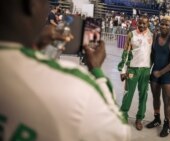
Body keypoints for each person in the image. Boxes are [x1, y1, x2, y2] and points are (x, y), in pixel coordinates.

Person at [0, 0, 130, 141]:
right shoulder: (75, 87)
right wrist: (97, 70)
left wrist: (34, 46)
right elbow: (120, 133)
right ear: (32, 4)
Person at [145, 16, 170, 137]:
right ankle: (157, 119)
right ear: (159, 25)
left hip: (166, 75)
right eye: (162, 24)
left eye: (167, 25)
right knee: (155, 97)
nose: (164, 26)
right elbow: (153, 55)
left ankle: (166, 124)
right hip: (155, 72)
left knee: (166, 100)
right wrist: (149, 69)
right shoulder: (156, 37)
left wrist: (160, 72)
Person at [118, 15, 153, 131]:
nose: (142, 25)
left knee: (143, 95)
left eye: (144, 23)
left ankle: (139, 118)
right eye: (140, 23)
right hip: (132, 69)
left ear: (148, 24)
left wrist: (151, 70)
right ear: (137, 23)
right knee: (128, 93)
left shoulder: (151, 35)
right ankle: (123, 115)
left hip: (146, 70)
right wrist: (123, 70)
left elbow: (153, 54)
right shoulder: (132, 34)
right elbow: (125, 52)